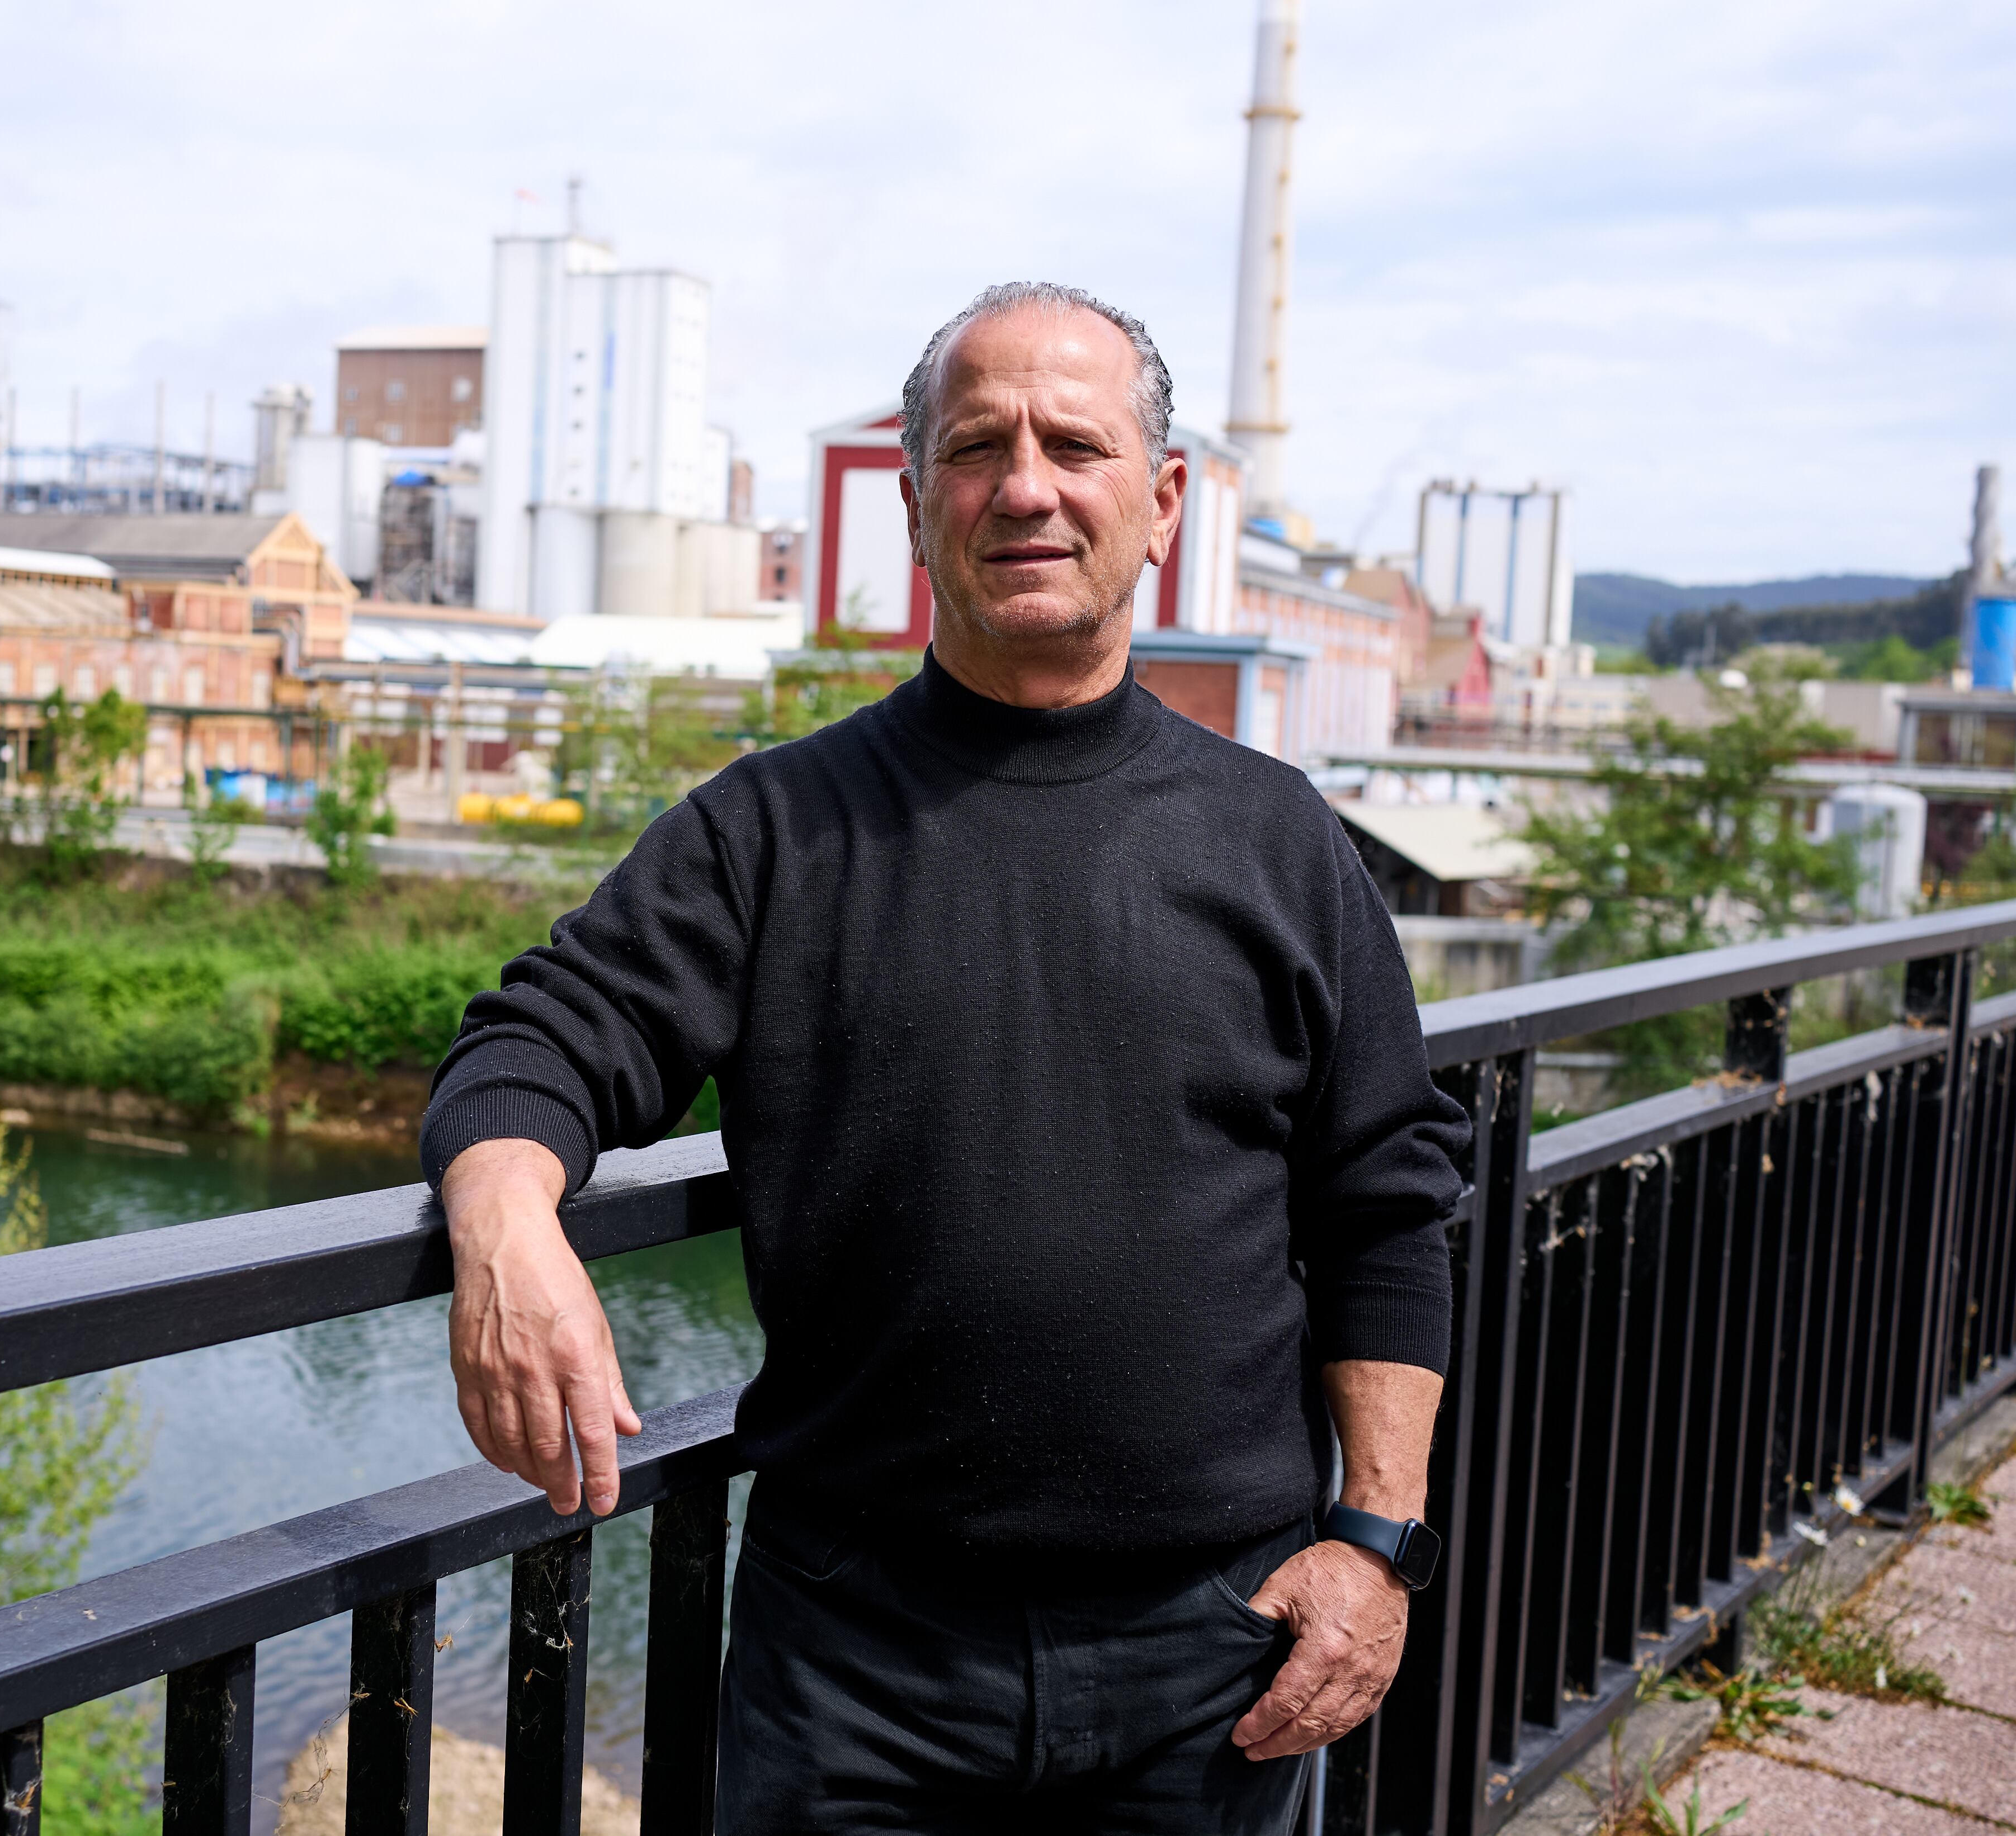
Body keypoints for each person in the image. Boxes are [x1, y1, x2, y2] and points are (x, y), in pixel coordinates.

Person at [421, 281, 1469, 1834]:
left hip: (1216, 1654)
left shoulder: (1282, 843)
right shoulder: (770, 833)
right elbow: (541, 1041)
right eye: (976, 449)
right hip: (856, 1660)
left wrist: (1374, 1549)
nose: (1027, 488)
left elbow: (1385, 1204)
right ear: (919, 512)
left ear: (1162, 501)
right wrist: (506, 1229)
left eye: (1076, 446)